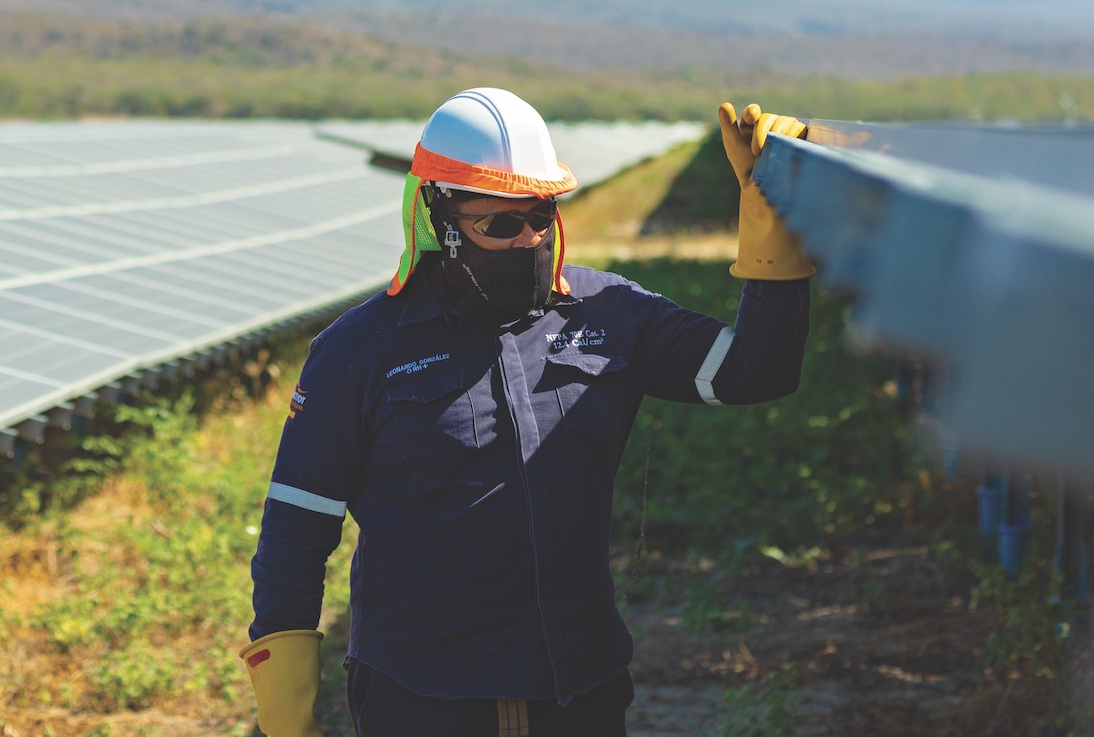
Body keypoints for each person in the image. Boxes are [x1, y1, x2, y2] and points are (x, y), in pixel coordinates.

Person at [239, 89, 814, 737]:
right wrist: (285, 713)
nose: (529, 240)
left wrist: (774, 225)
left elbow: (756, 370)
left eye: (542, 216)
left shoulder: (609, 313)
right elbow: (296, 532)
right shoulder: (358, 352)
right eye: (500, 226)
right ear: (438, 217)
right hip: (422, 698)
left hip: (579, 693)